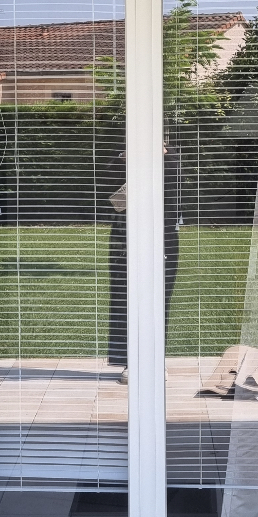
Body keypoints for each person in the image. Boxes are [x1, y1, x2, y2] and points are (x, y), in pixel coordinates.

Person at [106, 145, 181, 380]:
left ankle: (156, 360)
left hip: (163, 236)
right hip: (124, 237)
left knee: (159, 297)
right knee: (124, 296)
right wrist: (125, 159)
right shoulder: (119, 162)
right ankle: (130, 361)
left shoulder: (172, 162)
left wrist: (164, 156)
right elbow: (114, 200)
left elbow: (177, 193)